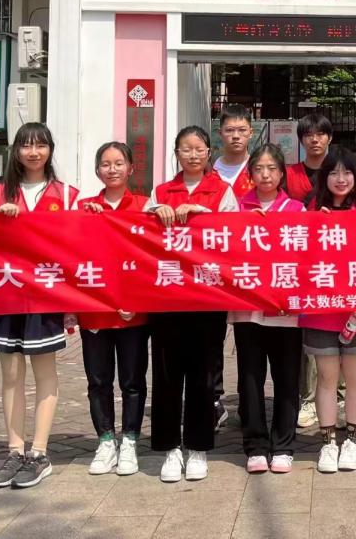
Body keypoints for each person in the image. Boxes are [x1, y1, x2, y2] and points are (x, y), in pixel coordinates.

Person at [0, 122, 79, 489]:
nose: (33, 152)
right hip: (7, 293)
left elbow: (77, 242)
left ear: (50, 150)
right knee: (12, 375)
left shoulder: (67, 195)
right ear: (16, 151)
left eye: (40, 145)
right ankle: (14, 451)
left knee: (45, 372)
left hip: (46, 294)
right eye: (26, 145)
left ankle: (40, 453)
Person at [147, 126, 238, 483]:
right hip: (166, 296)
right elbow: (139, 234)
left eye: (199, 149)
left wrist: (200, 212)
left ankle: (199, 447)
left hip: (207, 296)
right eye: (186, 149)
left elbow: (234, 235)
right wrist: (156, 213)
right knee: (166, 375)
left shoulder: (222, 190)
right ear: (176, 153)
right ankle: (170, 447)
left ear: (208, 152)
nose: (193, 155)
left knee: (203, 376)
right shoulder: (160, 192)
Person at [304, 147, 356, 473]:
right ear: (324, 178)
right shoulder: (310, 213)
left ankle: (352, 441)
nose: (340, 178)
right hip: (322, 308)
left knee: (355, 377)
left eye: (346, 172)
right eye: (333, 172)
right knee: (326, 377)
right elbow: (297, 258)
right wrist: (315, 226)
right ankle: (328, 442)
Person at [77, 142, 149, 477]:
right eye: (105, 164)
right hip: (95, 312)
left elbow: (151, 260)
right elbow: (72, 257)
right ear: (97, 171)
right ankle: (106, 440)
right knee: (98, 381)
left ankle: (130, 439)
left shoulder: (145, 206)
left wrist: (138, 299)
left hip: (133, 312)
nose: (112, 169)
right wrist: (85, 222)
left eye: (119, 163)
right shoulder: (84, 208)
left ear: (131, 168)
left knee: (132, 381)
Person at [231, 144, 304, 475]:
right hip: (247, 309)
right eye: (259, 169)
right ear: (250, 174)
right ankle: (256, 445)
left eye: (272, 168)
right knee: (250, 377)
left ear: (282, 173)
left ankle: (284, 444)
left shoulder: (296, 209)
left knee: (287, 378)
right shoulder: (236, 208)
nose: (265, 174)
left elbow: (306, 257)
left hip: (286, 310)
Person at [211, 105, 257, 431]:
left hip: (247, 267)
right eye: (230, 130)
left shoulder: (260, 169)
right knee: (212, 335)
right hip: (213, 267)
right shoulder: (207, 171)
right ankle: (214, 399)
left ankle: (247, 400)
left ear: (251, 133)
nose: (236, 136)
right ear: (220, 133)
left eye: (242, 130)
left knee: (247, 337)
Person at [288, 112, 334, 428]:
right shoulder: (290, 174)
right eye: (308, 134)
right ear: (301, 140)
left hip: (334, 262)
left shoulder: (340, 170)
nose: (314, 139)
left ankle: (336, 392)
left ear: (329, 138)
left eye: (320, 134)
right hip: (300, 263)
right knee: (305, 330)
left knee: (335, 327)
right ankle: (307, 397)